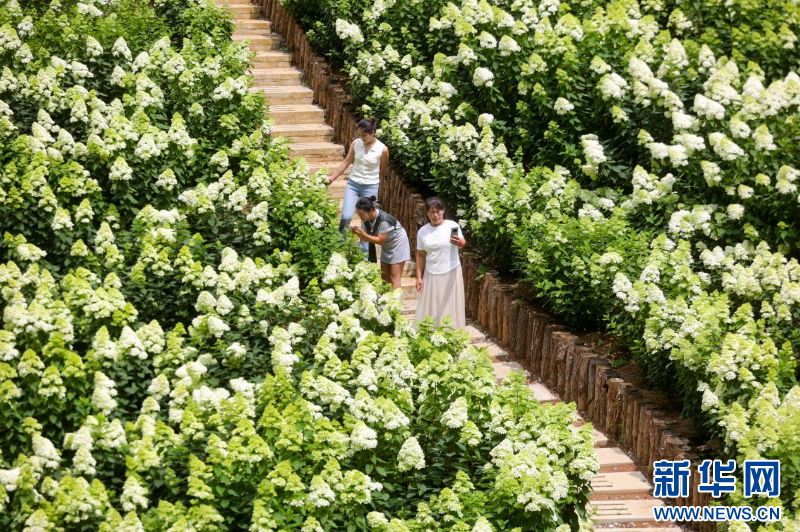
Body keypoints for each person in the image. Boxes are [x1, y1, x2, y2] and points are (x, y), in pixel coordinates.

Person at [327, 118, 389, 254]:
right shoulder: (356, 143)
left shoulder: (383, 149)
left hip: (370, 186)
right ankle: (341, 246)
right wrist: (331, 178)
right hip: (353, 184)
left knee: (366, 221)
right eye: (359, 135)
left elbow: (382, 170)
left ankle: (364, 254)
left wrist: (376, 184)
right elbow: (346, 162)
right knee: (346, 216)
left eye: (364, 135)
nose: (361, 138)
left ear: (373, 133)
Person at [414, 197, 466, 330]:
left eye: (437, 211)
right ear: (427, 213)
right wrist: (419, 277)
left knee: (450, 303)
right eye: (431, 212)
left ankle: (452, 332)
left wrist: (459, 242)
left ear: (443, 210)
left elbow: (462, 243)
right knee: (432, 303)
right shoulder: (423, 231)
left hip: (451, 271)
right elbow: (420, 255)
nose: (435, 215)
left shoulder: (452, 226)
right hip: (431, 272)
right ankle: (432, 332)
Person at [351, 196, 411, 290]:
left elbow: (380, 241)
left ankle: (396, 299)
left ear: (371, 210)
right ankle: (385, 298)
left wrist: (364, 235)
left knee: (394, 278)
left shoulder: (385, 220)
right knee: (384, 277)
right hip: (387, 245)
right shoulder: (366, 219)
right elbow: (366, 239)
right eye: (358, 214)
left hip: (398, 244)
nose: (360, 217)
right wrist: (358, 234)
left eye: (362, 214)